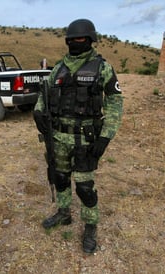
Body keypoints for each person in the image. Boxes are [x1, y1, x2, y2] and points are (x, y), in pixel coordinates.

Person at [33, 18, 123, 253]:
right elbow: (45, 95)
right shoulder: (59, 68)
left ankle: (91, 226)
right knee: (60, 178)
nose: (75, 43)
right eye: (71, 40)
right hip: (58, 138)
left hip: (86, 140)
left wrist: (105, 137)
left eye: (80, 39)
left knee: (85, 187)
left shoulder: (101, 67)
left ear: (90, 40)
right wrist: (38, 111)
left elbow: (115, 104)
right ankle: (64, 213)